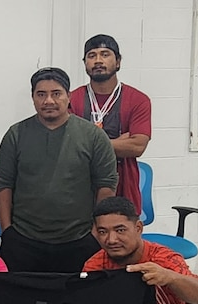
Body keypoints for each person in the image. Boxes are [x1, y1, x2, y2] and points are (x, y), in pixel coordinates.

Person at [0, 67, 118, 273]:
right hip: (24, 240)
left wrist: (96, 232)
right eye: (41, 94)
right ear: (33, 98)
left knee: (76, 300)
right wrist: (8, 230)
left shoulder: (94, 137)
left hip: (79, 239)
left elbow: (106, 186)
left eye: (56, 94)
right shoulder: (15, 134)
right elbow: (3, 184)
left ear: (69, 97)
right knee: (21, 301)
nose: (48, 101)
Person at [69, 34, 152, 213]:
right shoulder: (71, 99)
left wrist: (86, 142)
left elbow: (137, 146)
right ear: (85, 63)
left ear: (118, 61)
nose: (98, 60)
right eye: (92, 56)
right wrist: (120, 141)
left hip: (124, 182)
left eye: (105, 54)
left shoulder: (138, 100)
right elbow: (67, 146)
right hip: (79, 184)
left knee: (119, 238)